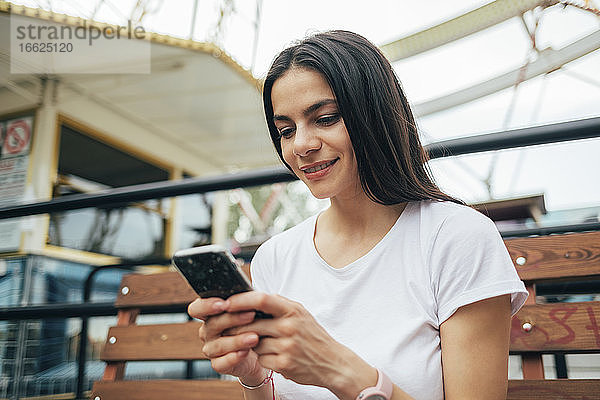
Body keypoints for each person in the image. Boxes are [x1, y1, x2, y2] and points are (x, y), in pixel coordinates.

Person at [188, 30, 528, 400]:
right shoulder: (276, 257)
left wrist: (337, 368)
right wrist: (253, 377)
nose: (300, 145)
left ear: (375, 115)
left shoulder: (456, 238)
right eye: (285, 130)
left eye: (326, 118)